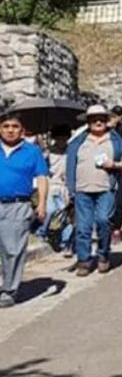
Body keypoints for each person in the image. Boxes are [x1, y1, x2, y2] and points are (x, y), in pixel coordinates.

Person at [67, 104, 122, 276]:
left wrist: (114, 165)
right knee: (83, 227)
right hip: (82, 189)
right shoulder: (78, 142)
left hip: (106, 189)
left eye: (101, 119)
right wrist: (71, 188)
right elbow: (71, 164)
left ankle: (103, 254)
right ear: (88, 122)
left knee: (103, 221)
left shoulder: (116, 142)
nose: (98, 122)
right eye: (94, 119)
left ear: (107, 121)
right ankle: (84, 260)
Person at [0, 113, 48, 308]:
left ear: (22, 130)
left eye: (14, 126)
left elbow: (42, 177)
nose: (10, 130)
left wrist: (42, 204)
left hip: (18, 205)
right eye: (5, 126)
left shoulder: (32, 151)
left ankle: (9, 291)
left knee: (12, 250)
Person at [37, 125, 70, 244]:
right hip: (51, 184)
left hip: (65, 186)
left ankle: (65, 240)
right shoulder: (48, 152)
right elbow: (41, 169)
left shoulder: (71, 151)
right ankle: (42, 231)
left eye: (64, 138)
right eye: (59, 138)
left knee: (63, 212)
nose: (61, 141)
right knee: (50, 210)